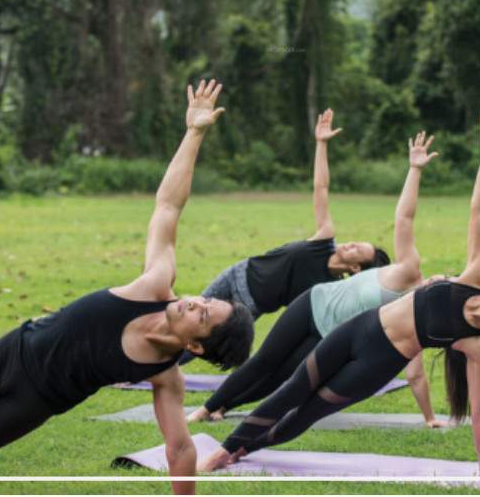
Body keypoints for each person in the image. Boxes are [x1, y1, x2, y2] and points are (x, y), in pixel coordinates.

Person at [0, 80, 254, 496]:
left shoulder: (164, 375)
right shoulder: (155, 284)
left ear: (195, 347)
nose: (193, 301)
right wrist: (194, 133)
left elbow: (180, 448)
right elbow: (168, 206)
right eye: (204, 300)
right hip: (15, 351)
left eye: (202, 315)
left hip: (36, 401)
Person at [199, 107, 480, 477]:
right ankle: (225, 449)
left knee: (306, 414)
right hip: (358, 329)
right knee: (293, 388)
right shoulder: (475, 274)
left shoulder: (475, 344)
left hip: (378, 363)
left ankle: (244, 449)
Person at [188, 131, 445, 427]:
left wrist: (429, 418)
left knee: (284, 377)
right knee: (265, 361)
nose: (438, 279)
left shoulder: (412, 316)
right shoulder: (408, 272)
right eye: (443, 278)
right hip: (312, 305)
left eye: (442, 285)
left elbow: (415, 372)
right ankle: (206, 408)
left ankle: (226, 405)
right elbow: (404, 219)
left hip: (327, 334)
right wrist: (414, 170)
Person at [178, 108, 389, 366]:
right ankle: (156, 361)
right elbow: (321, 188)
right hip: (239, 271)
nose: (351, 243)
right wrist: (321, 144)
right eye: (356, 242)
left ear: (356, 268)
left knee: (206, 338)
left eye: (358, 250)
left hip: (250, 302)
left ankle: (165, 370)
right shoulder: (324, 241)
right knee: (185, 323)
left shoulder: (325, 287)